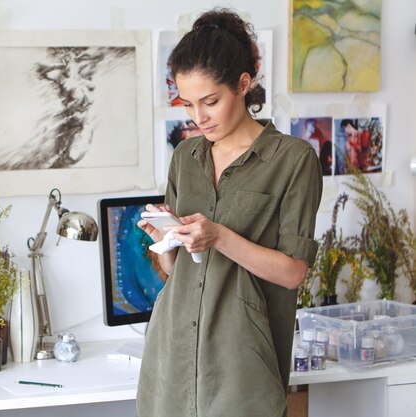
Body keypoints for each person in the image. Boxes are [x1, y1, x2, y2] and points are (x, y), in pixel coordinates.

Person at [136, 8, 322, 417]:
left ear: (243, 84)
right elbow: (174, 271)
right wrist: (165, 242)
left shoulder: (293, 159)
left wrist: (218, 235)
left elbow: (293, 272)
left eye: (210, 102)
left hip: (243, 368)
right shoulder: (186, 156)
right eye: (187, 104)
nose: (198, 118)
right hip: (171, 357)